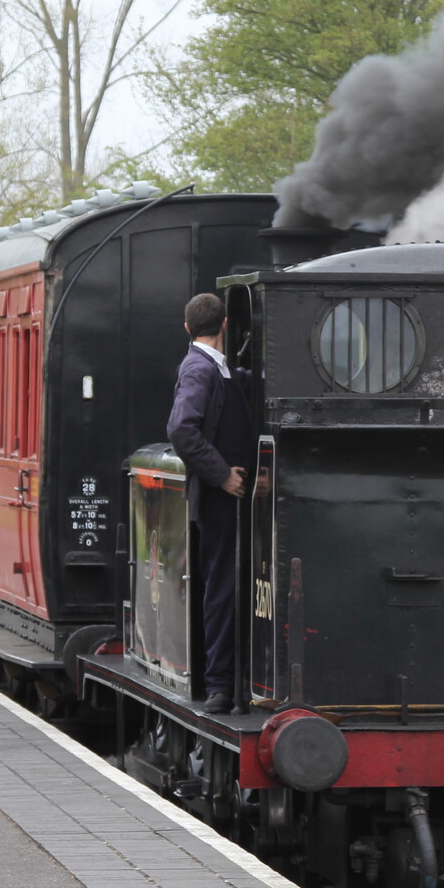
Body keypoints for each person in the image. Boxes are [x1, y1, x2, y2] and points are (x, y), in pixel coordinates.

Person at [166, 293, 252, 714]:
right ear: (225, 324)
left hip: (235, 496)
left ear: (188, 327)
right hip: (220, 499)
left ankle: (231, 680)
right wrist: (222, 475)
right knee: (221, 587)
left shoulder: (218, 368)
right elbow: (182, 430)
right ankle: (219, 684)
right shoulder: (199, 370)